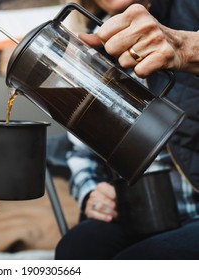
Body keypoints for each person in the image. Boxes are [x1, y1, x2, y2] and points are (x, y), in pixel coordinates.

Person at [55, 0, 199, 259]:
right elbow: (81, 151)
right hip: (142, 213)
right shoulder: (89, 40)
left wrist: (184, 46)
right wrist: (92, 192)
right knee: (78, 247)